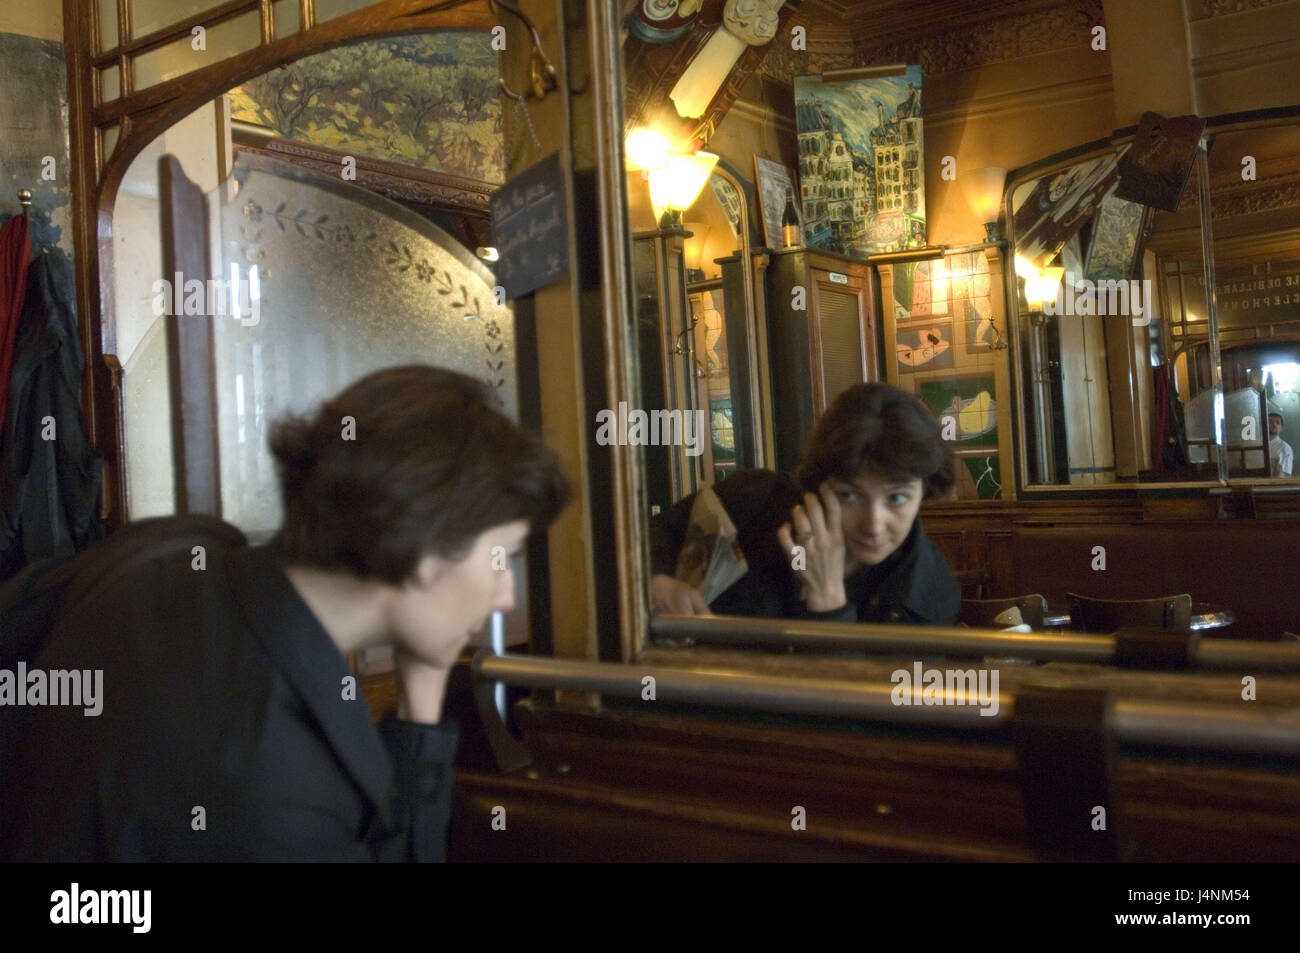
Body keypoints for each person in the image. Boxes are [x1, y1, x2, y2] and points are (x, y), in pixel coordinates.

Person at [0, 365, 568, 861]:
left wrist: (424, 685)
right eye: (501, 558)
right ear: (428, 548)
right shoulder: (278, 798)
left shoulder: (179, 547)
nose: (505, 596)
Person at [650, 382, 960, 626]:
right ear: (819, 484)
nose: (873, 525)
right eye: (848, 495)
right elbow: (647, 537)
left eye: (896, 498)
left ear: (925, 491)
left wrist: (828, 603)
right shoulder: (755, 499)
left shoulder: (930, 589)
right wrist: (656, 581)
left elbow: (870, 702)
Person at [1269, 411, 1293, 477]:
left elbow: (1285, 475)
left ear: (1281, 428)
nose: (1274, 424)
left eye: (1277, 422)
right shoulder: (1255, 444)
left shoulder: (1285, 448)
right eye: (1270, 421)